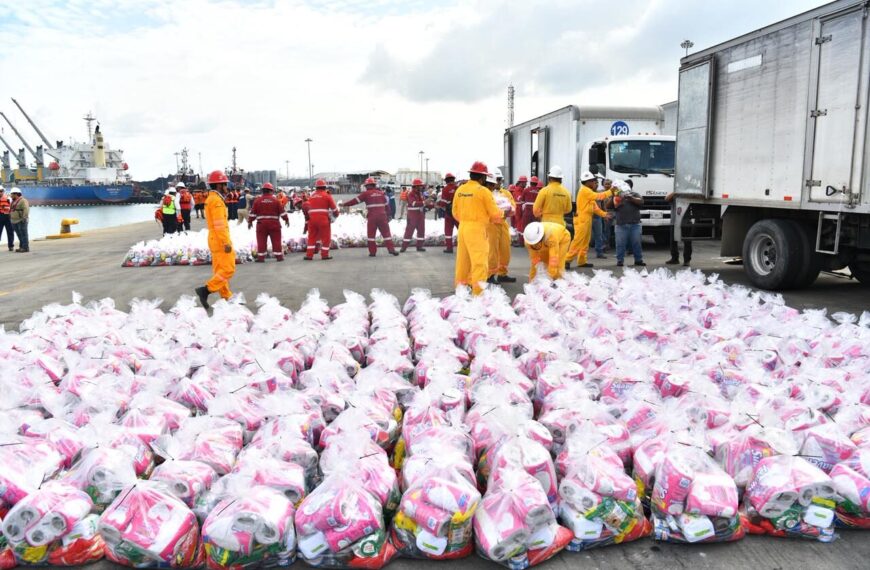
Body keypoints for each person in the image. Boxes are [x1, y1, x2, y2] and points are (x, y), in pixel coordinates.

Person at [452, 161, 503, 295]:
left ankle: (461, 291)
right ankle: (478, 294)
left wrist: (466, 220)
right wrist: (504, 213)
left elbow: (455, 213)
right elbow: (495, 214)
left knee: (462, 262)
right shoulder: (483, 191)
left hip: (463, 228)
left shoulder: (460, 189)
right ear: (483, 177)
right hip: (477, 230)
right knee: (479, 263)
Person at [195, 171, 235, 310]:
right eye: (224, 184)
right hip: (219, 239)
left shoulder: (211, 198)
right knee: (229, 269)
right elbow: (220, 225)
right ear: (219, 185)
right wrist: (226, 243)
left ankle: (227, 296)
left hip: (214, 238)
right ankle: (205, 290)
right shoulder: (217, 201)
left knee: (219, 270)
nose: (226, 187)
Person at [566, 171, 614, 269]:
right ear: (588, 182)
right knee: (578, 242)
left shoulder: (588, 192)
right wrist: (611, 191)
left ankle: (582, 261)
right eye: (593, 181)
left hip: (585, 219)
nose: (595, 183)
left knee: (585, 242)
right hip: (582, 220)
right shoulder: (585, 191)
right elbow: (599, 196)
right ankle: (567, 260)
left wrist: (604, 214)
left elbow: (595, 208)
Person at [343, 177, 399, 257]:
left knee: (371, 236)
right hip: (383, 217)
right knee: (387, 234)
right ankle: (391, 250)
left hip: (372, 217)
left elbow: (355, 201)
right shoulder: (381, 193)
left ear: (367, 186)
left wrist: (344, 204)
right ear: (374, 185)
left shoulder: (366, 194)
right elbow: (387, 206)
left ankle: (372, 252)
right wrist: (389, 215)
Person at [487, 170, 517, 283]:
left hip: (503, 223)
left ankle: (502, 273)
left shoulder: (506, 193)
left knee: (505, 250)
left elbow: (513, 206)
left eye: (500, 180)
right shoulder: (487, 193)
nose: (499, 182)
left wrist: (509, 211)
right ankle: (490, 275)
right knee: (492, 251)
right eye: (497, 180)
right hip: (491, 224)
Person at [608, 181, 646, 267]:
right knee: (620, 244)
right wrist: (614, 196)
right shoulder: (617, 195)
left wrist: (630, 198)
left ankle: (638, 260)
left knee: (637, 243)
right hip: (621, 224)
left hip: (635, 224)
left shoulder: (635, 194)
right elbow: (608, 206)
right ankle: (620, 261)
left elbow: (641, 202)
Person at [248, 182, 289, 262]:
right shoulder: (276, 201)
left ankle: (261, 258)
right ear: (271, 191)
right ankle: (279, 257)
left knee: (261, 241)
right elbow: (282, 212)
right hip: (274, 224)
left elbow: (252, 213)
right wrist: (286, 219)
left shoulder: (257, 201)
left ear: (262, 191)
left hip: (261, 225)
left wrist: (250, 221)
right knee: (276, 240)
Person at [302, 179, 339, 260]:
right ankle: (324, 255)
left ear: (316, 187)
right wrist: (336, 215)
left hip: (311, 219)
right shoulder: (327, 196)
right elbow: (334, 209)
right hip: (323, 219)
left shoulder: (311, 196)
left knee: (312, 237)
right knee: (326, 237)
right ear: (324, 187)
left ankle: (309, 255)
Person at [401, 178, 429, 252]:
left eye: (421, 186)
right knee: (409, 231)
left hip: (420, 216)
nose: (421, 187)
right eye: (420, 186)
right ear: (415, 186)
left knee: (421, 231)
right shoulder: (411, 194)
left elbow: (422, 204)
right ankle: (403, 247)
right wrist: (425, 202)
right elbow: (414, 204)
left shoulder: (419, 194)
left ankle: (419, 246)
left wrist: (431, 205)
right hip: (412, 216)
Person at [665, 191, 692, 266]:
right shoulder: (674, 195)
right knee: (673, 241)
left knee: (687, 242)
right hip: (674, 221)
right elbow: (666, 199)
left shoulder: (687, 194)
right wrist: (675, 192)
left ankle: (687, 260)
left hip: (685, 221)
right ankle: (674, 258)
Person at [436, 173, 459, 253]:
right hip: (458, 213)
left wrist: (440, 204)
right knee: (461, 230)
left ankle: (449, 248)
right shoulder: (458, 188)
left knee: (448, 231)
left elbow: (443, 202)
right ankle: (464, 247)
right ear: (453, 179)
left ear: (446, 180)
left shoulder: (445, 189)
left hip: (449, 213)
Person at [520, 176, 541, 246]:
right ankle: (534, 242)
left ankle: (523, 242)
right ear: (536, 183)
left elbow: (522, 200)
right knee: (535, 227)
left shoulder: (526, 190)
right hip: (535, 211)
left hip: (527, 211)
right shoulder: (539, 191)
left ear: (531, 182)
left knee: (525, 226)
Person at [9, 187, 29, 253]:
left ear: (16, 194)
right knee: (19, 234)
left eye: (12, 194)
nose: (11, 195)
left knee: (23, 234)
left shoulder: (23, 200)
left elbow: (26, 209)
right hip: (14, 221)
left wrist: (24, 218)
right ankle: (21, 246)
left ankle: (25, 247)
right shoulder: (13, 201)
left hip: (21, 220)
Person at [511, 175, 528, 245]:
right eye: (525, 182)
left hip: (520, 209)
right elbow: (519, 200)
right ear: (521, 183)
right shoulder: (517, 190)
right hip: (518, 209)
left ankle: (518, 239)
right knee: (519, 225)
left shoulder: (522, 190)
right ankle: (519, 240)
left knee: (519, 225)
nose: (526, 184)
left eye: (526, 182)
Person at [0, 185, 14, 251]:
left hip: (8, 216)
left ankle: (11, 246)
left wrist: (6, 208)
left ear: (3, 191)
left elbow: (12, 207)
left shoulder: (8, 199)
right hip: (0, 216)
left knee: (10, 231)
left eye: (1, 191)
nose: (0, 192)